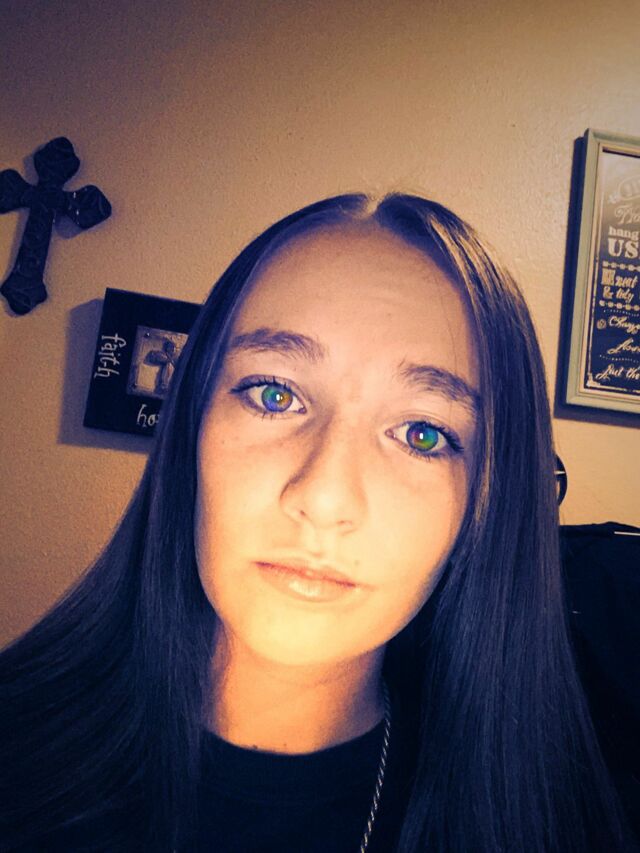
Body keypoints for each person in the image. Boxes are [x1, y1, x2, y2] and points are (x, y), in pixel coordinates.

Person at [0, 193, 637, 852]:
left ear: (485, 503)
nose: (325, 496)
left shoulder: (556, 825)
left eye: (422, 433)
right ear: (192, 425)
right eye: (274, 394)